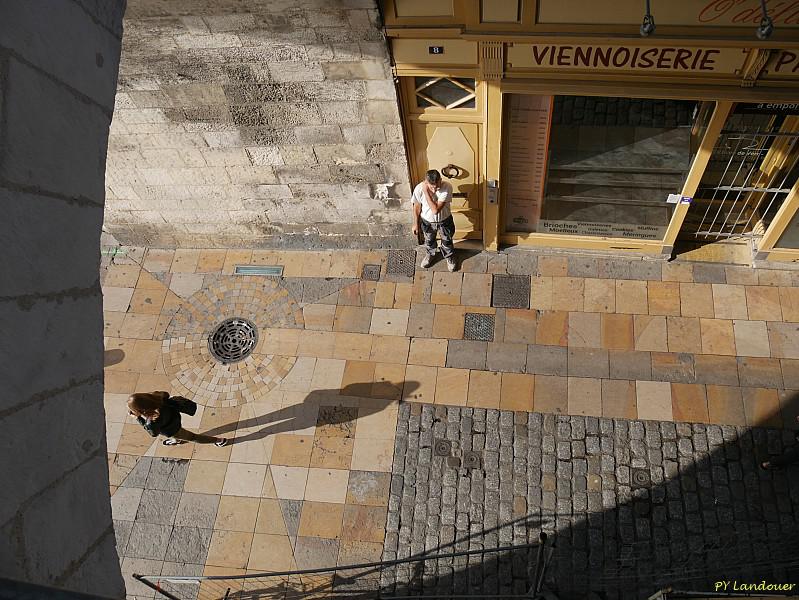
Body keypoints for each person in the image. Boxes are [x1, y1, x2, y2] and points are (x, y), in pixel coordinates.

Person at [128, 391, 227, 447]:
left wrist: (138, 418)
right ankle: (176, 440)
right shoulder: (159, 397)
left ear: (142, 409)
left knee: (193, 437)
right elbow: (165, 393)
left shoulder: (151, 422)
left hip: (172, 430)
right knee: (179, 434)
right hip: (175, 417)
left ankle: (219, 440)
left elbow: (153, 433)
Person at [412, 169, 457, 272]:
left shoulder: (447, 187)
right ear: (426, 182)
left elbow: (435, 210)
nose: (435, 189)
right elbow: (417, 207)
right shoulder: (419, 188)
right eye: (432, 187)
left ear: (440, 180)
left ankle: (449, 257)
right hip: (427, 221)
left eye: (437, 186)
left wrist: (426, 191)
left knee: (447, 240)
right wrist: (415, 224)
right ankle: (430, 255)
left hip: (444, 221)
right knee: (429, 241)